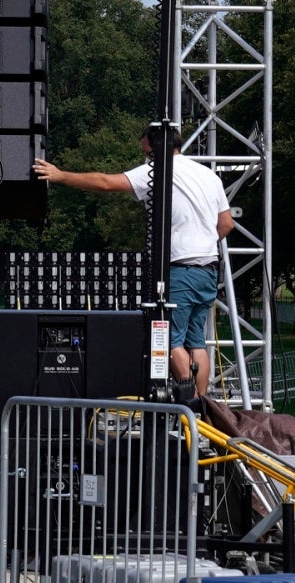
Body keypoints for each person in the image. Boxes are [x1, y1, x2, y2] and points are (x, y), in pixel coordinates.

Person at [32, 138, 234, 398]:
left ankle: (189, 406)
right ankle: (202, 409)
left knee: (169, 339)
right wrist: (203, 240)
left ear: (155, 150)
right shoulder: (208, 176)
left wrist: (60, 176)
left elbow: (105, 183)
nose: (145, 158)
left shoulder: (158, 171)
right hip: (207, 268)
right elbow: (227, 224)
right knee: (196, 342)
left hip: (180, 269)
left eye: (146, 152)